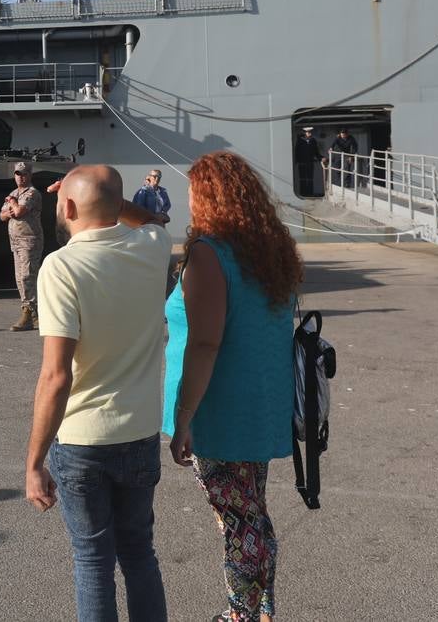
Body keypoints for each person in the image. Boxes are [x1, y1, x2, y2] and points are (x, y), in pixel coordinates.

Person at [24, 165, 172, 622]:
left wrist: (34, 463)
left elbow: (56, 376)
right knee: (139, 554)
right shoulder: (153, 247)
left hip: (83, 440)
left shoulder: (61, 267)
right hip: (140, 432)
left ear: (67, 207)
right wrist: (107, 197)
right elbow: (152, 220)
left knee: (92, 562)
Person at [164, 151, 301, 622]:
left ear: (207, 197)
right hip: (259, 403)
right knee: (253, 514)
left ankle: (239, 615)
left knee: (239, 522)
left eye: (191, 192)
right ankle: (262, 611)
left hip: (219, 411)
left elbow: (205, 343)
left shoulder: (209, 252)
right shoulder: (266, 251)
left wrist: (183, 418)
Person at [0, 161, 43, 332]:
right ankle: (33, 315)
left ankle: (29, 313)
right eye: (18, 174)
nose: (21, 177)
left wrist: (12, 203)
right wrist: (11, 208)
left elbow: (19, 212)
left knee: (27, 276)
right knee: (19, 278)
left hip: (29, 241)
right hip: (16, 241)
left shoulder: (32, 193)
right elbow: (2, 216)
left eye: (24, 174)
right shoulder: (14, 193)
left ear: (30, 175)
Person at [292, 126, 323, 198]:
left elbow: (316, 152)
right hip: (302, 162)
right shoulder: (300, 141)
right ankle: (303, 193)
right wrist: (296, 161)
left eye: (310, 132)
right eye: (308, 132)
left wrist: (321, 158)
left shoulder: (313, 140)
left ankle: (310, 193)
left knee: (310, 178)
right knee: (302, 178)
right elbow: (297, 151)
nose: (310, 133)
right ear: (305, 133)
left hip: (310, 161)